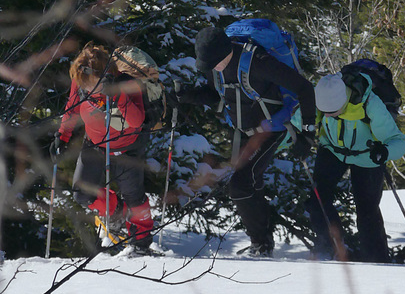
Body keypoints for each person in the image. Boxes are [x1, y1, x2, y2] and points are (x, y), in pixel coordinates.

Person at [177, 26, 317, 257]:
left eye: (215, 64)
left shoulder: (258, 62)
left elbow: (304, 88)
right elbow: (216, 94)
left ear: (226, 51)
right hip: (242, 130)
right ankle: (263, 243)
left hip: (270, 129)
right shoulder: (215, 64)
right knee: (251, 184)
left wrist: (307, 133)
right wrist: (188, 96)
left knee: (240, 186)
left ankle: (261, 246)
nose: (213, 69)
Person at [50, 42, 154, 252]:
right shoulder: (81, 80)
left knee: (135, 197)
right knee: (81, 193)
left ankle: (141, 241)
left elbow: (136, 120)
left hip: (127, 149)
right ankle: (118, 214)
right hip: (95, 145)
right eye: (83, 85)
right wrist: (63, 135)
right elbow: (72, 108)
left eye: (91, 85)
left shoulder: (127, 84)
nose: (86, 90)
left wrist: (117, 95)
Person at [308, 72, 405, 263]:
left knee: (367, 210)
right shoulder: (321, 95)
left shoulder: (371, 105)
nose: (327, 115)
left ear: (344, 101)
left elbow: (399, 142)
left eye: (332, 112)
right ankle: (329, 249)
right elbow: (296, 124)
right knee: (318, 199)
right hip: (332, 150)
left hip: (367, 155)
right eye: (324, 112)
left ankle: (377, 260)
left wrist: (384, 152)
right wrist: (294, 141)